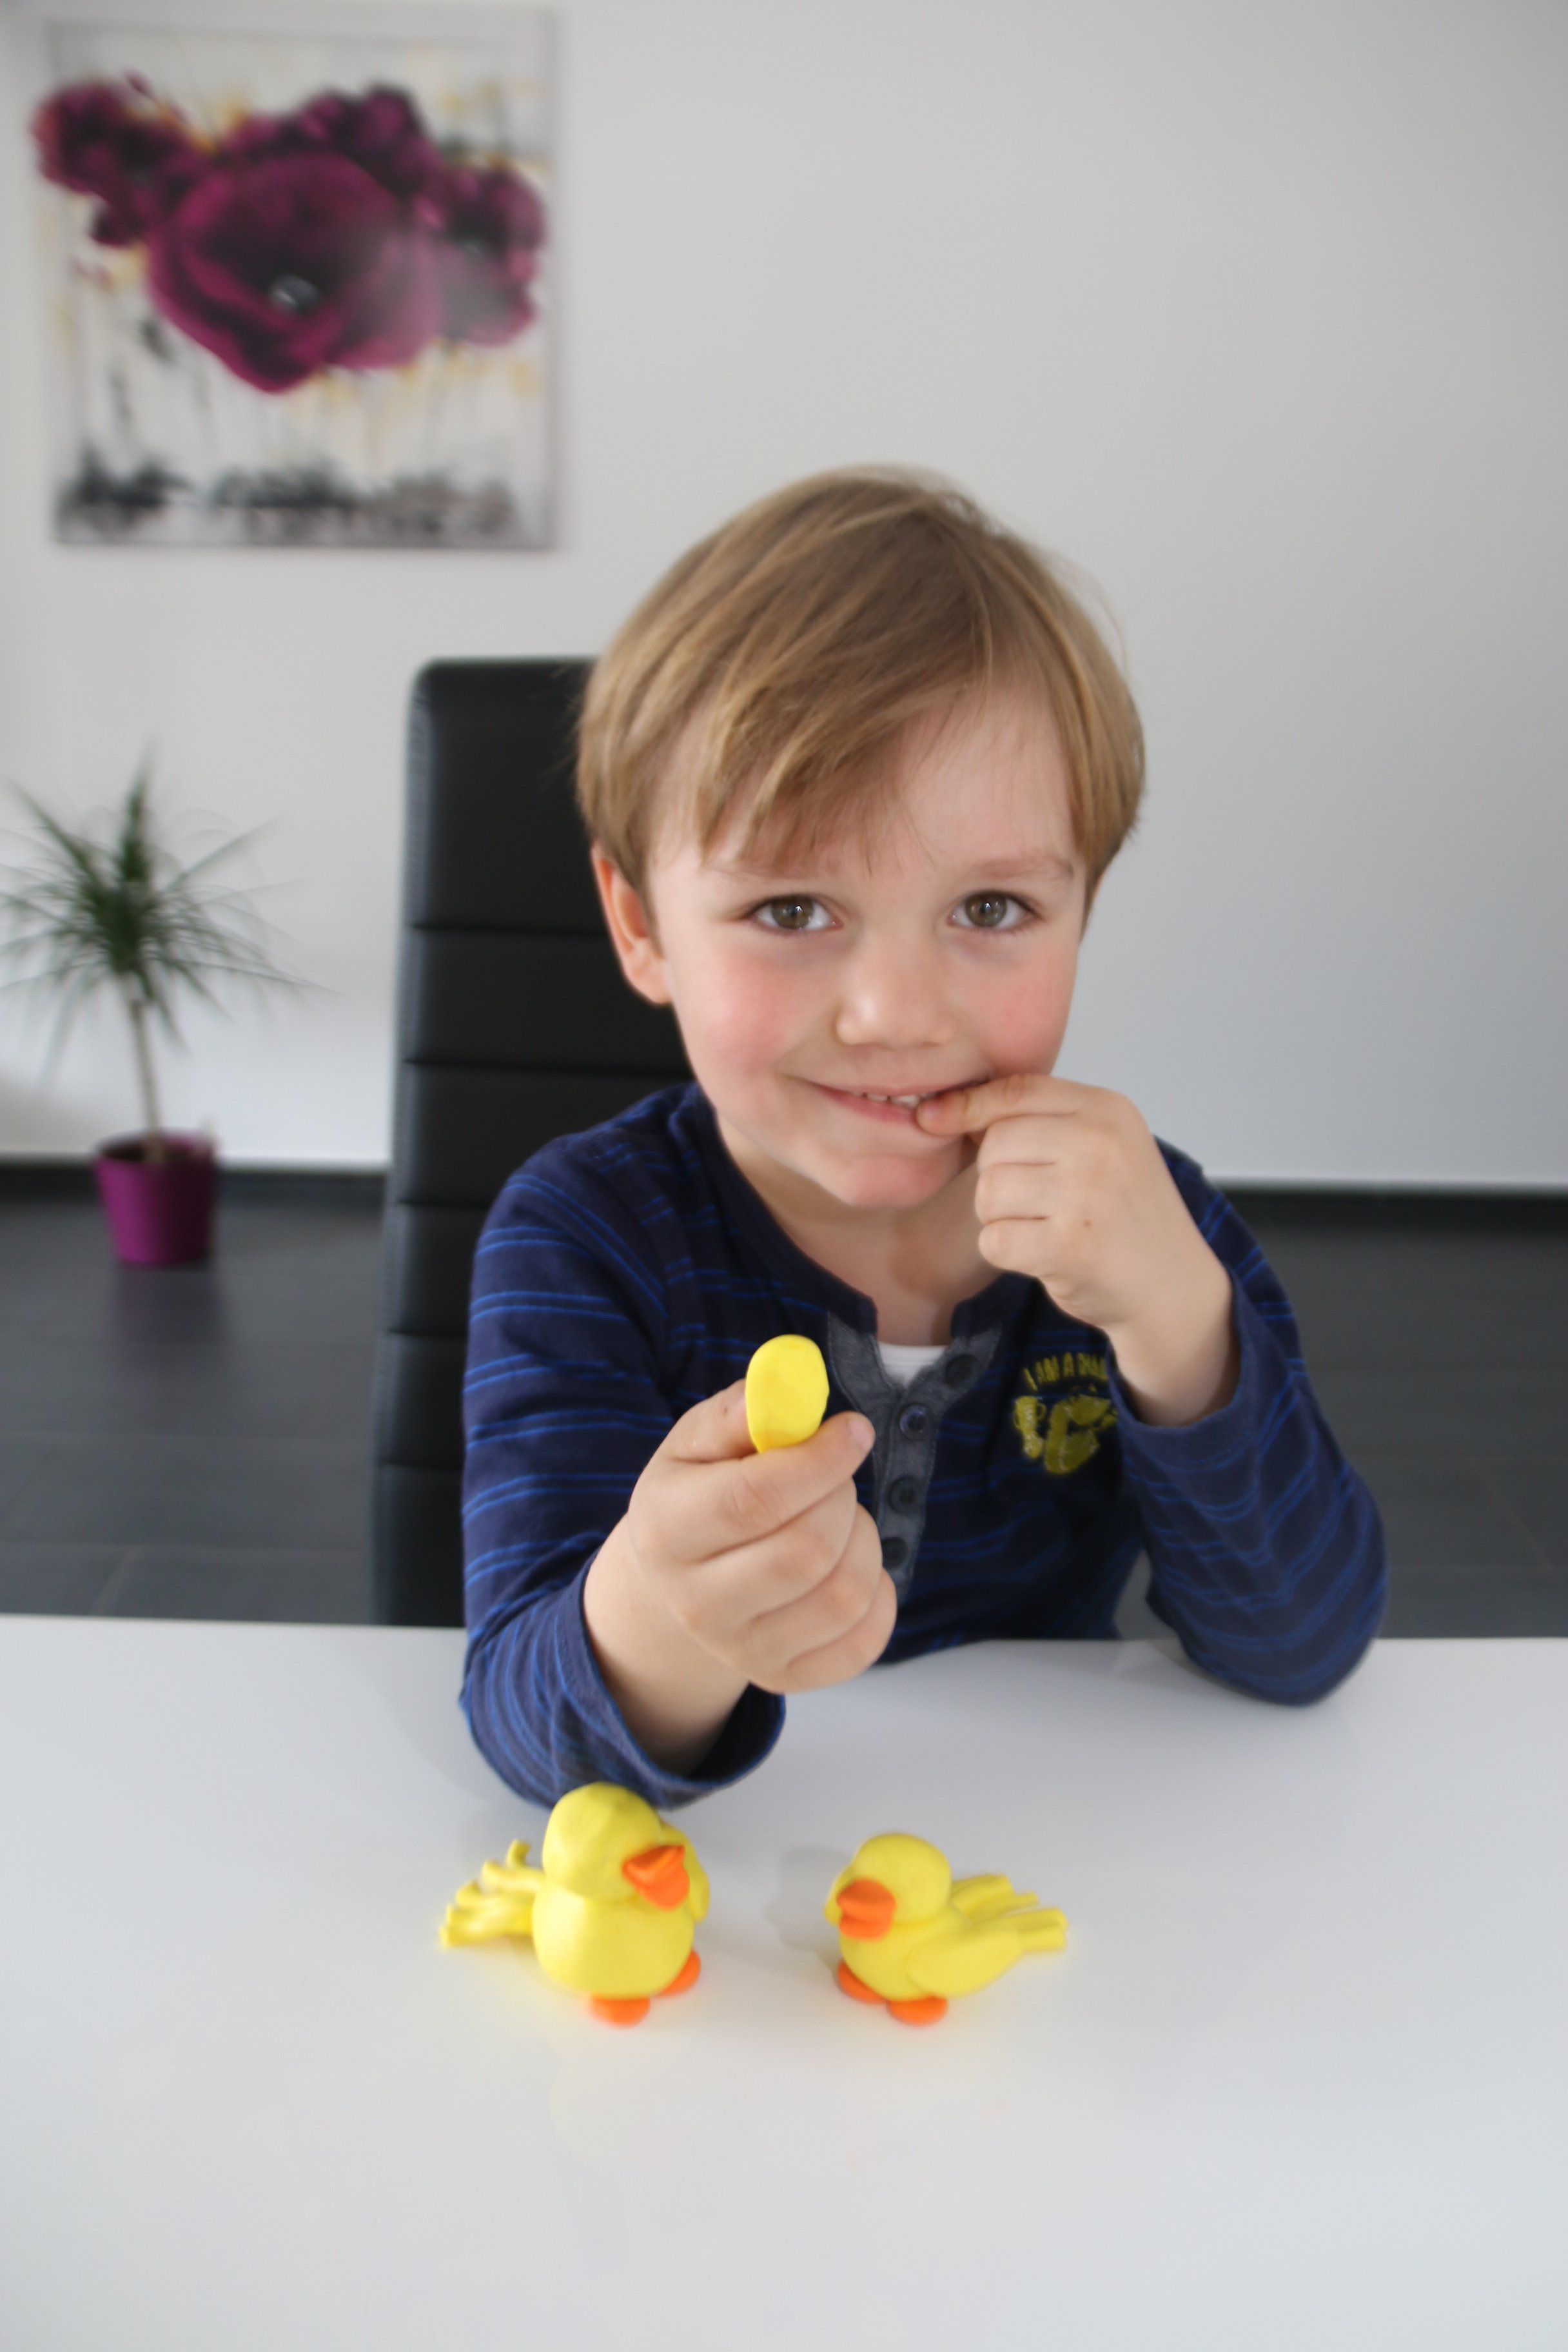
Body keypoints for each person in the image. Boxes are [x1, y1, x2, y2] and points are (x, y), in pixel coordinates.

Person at [460, 467, 1387, 1807]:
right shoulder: (584, 1237)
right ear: (640, 925)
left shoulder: (1148, 1223)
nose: (896, 1014)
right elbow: (524, 1723)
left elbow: (1303, 1645)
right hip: (738, 1878)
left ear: (1083, 910)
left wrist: (1181, 1332)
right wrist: (660, 1615)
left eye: (991, 909)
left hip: (1051, 1846)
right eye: (792, 910)